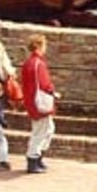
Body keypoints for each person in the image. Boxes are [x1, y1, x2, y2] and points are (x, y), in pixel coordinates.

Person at [21, 33, 57, 174]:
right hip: (39, 101)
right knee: (40, 131)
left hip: (32, 99)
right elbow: (43, 83)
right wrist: (52, 91)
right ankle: (33, 158)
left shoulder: (31, 63)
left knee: (47, 129)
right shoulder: (37, 64)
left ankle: (38, 156)